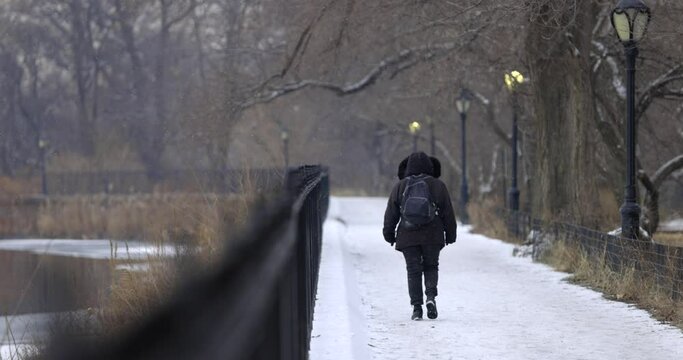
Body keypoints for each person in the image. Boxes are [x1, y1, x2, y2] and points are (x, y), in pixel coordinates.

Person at [383, 152, 457, 320]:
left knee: (413, 270)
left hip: (408, 236)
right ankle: (430, 297)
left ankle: (417, 308)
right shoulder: (438, 185)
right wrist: (450, 234)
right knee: (431, 266)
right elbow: (448, 212)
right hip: (432, 234)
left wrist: (389, 233)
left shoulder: (400, 186)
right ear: (430, 167)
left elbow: (391, 213)